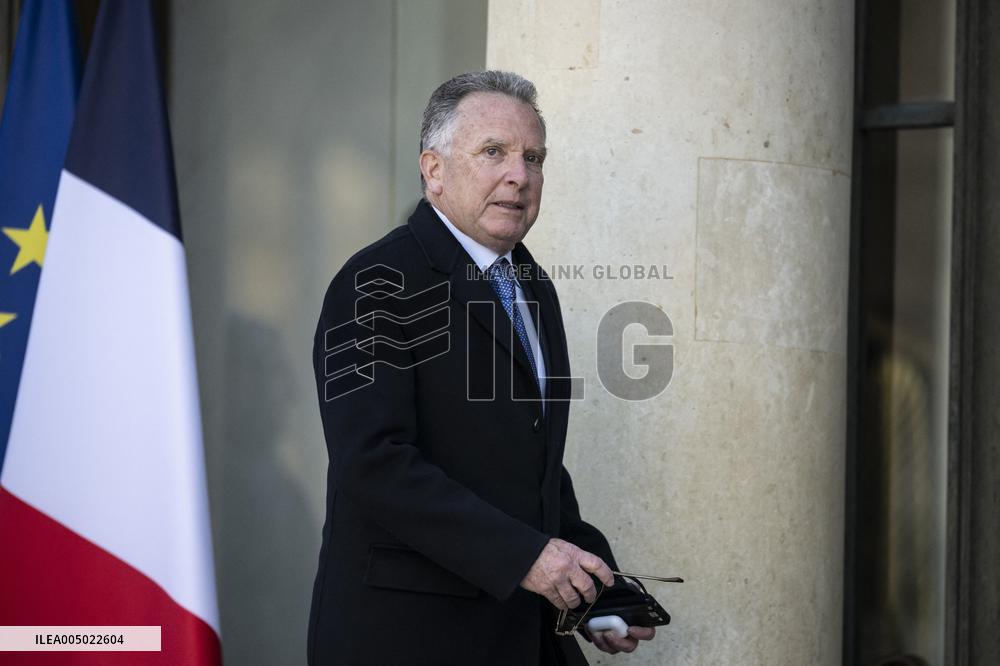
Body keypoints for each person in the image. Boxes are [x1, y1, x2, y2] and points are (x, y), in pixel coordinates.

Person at [308, 70, 656, 665]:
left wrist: (595, 588)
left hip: (524, 637)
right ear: (434, 170)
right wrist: (526, 558)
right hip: (410, 639)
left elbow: (533, 468)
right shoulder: (374, 282)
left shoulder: (533, 286)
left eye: (534, 157)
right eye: (493, 152)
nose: (519, 175)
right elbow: (374, 462)